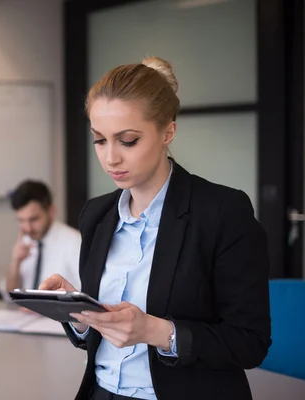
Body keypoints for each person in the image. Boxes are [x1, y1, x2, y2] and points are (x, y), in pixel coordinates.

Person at [39, 57, 271, 400]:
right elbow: (98, 341)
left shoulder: (222, 212)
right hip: (100, 392)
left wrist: (155, 330)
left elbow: (249, 343)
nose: (110, 158)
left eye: (128, 140)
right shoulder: (97, 214)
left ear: (168, 132)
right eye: (99, 140)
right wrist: (79, 313)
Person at [5, 180, 81, 293]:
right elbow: (10, 295)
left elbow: (87, 295)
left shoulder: (75, 242)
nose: (28, 228)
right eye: (21, 220)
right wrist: (16, 262)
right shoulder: (26, 240)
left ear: (51, 211)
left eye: (34, 219)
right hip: (23, 311)